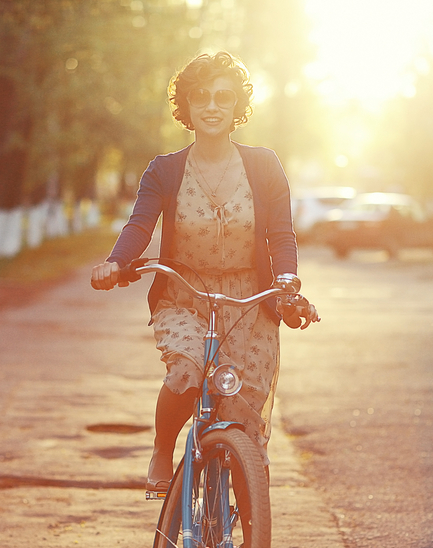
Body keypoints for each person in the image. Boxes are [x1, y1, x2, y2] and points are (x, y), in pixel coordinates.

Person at [90, 51, 318, 494]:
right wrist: (117, 262)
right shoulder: (165, 170)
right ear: (187, 107)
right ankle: (162, 448)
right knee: (186, 374)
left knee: (244, 429)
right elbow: (140, 224)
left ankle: (251, 543)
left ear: (237, 107)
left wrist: (287, 281)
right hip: (183, 295)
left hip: (249, 301)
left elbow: (281, 235)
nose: (212, 106)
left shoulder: (264, 165)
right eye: (201, 98)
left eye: (223, 97)